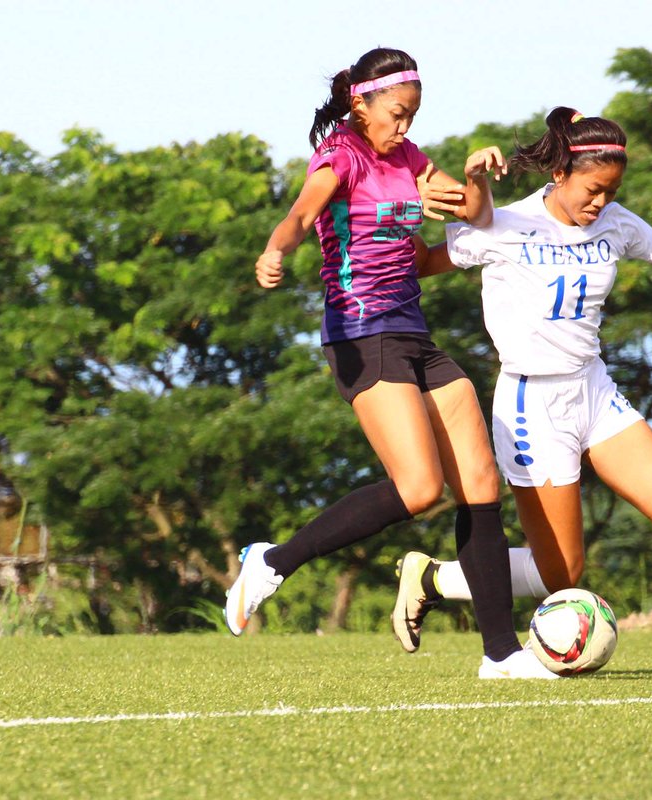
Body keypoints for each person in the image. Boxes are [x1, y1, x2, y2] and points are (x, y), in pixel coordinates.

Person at [392, 107, 652, 676]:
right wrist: (404, 199)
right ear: (561, 170)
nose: (601, 203)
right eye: (593, 190)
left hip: (594, 389)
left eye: (611, 192)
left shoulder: (616, 223)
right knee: (561, 573)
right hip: (531, 404)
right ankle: (435, 577)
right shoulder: (503, 225)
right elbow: (417, 265)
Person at [226, 48, 556, 679]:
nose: (405, 126)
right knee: (419, 488)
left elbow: (474, 217)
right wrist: (274, 251)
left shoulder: (409, 159)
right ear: (362, 103)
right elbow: (300, 215)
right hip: (359, 334)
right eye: (397, 114)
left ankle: (501, 655)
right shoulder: (339, 158)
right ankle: (272, 563)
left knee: (481, 487)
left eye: (414, 115)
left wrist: (474, 173)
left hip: (414, 333)